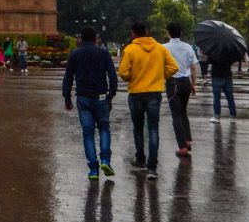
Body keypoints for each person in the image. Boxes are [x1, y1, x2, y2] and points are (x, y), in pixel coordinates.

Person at [118, 22, 178, 180]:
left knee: (138, 128)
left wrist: (133, 77)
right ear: (146, 32)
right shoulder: (160, 48)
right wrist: (160, 76)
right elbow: (173, 67)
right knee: (153, 129)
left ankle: (140, 159)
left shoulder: (130, 49)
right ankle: (152, 167)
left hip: (136, 93)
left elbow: (123, 73)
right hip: (154, 93)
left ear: (133, 33)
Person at [62, 26, 117, 180]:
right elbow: (112, 75)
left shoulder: (75, 54)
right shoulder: (103, 52)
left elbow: (68, 77)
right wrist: (111, 95)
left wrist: (67, 97)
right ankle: (105, 160)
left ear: (81, 39)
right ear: (95, 39)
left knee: (88, 133)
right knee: (104, 128)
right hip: (101, 97)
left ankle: (93, 169)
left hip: (83, 97)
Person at [163, 23, 198, 158]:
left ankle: (182, 147)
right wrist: (193, 84)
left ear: (168, 33)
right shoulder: (188, 47)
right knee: (183, 111)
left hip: (173, 83)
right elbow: (193, 68)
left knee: (176, 115)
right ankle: (187, 140)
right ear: (181, 33)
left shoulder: (164, 48)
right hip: (185, 82)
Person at [209, 51, 239, 123]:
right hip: (227, 75)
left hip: (216, 75)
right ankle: (233, 116)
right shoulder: (229, 51)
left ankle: (217, 116)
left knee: (217, 97)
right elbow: (232, 61)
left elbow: (208, 61)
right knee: (230, 97)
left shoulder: (214, 51)